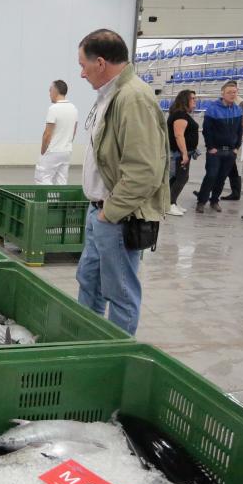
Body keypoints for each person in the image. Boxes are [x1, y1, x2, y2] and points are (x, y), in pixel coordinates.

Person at [75, 29, 168, 336]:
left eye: (84, 65)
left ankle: (115, 359)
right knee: (90, 282)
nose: (81, 72)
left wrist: (109, 213)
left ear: (100, 63)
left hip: (118, 216)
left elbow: (144, 171)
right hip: (100, 211)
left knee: (121, 294)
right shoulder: (110, 95)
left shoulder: (133, 99)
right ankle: (88, 344)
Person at [194, 81, 243, 213]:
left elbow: (239, 131)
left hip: (230, 152)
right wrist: (210, 147)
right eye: (229, 92)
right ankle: (201, 202)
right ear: (223, 93)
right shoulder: (213, 109)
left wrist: (236, 147)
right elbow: (207, 130)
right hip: (215, 151)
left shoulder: (238, 110)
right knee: (211, 176)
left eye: (235, 92)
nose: (233, 95)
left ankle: (214, 201)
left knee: (221, 178)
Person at [34, 80, 78, 185]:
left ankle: (46, 202)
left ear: (55, 91)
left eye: (50, 91)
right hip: (66, 151)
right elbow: (74, 132)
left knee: (42, 179)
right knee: (61, 182)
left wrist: (43, 151)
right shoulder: (74, 109)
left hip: (53, 150)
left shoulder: (53, 109)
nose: (49, 94)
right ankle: (59, 201)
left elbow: (47, 134)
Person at [166, 90, 198, 216]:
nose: (195, 101)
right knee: (181, 178)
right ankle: (169, 204)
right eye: (193, 99)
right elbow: (179, 135)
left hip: (182, 152)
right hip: (179, 153)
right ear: (185, 100)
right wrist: (184, 153)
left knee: (177, 178)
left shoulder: (182, 114)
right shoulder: (180, 115)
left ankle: (171, 202)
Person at [221, 95, 243, 200]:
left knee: (222, 167)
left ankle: (205, 193)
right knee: (230, 167)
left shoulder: (240, 103)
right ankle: (236, 193)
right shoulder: (226, 101)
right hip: (226, 139)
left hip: (233, 141)